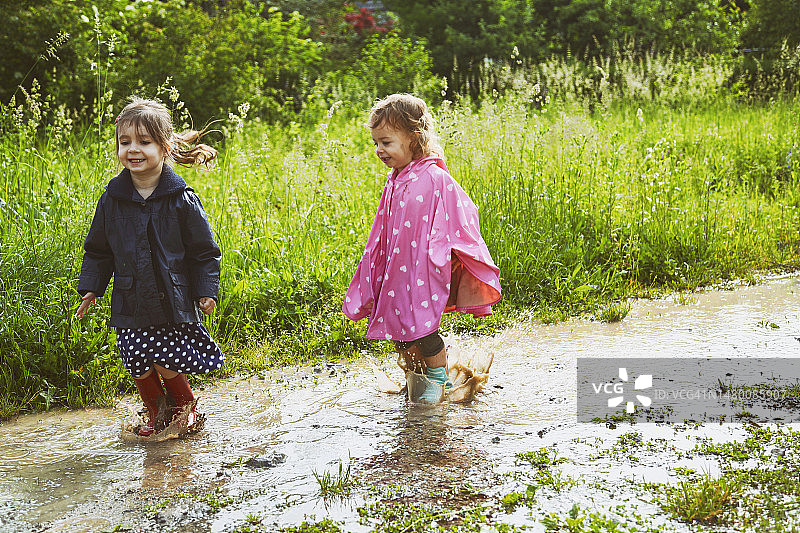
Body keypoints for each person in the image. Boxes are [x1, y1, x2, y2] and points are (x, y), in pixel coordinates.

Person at [76, 97, 223, 437]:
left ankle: (184, 407)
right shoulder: (112, 198)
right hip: (130, 297)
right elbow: (99, 250)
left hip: (171, 297)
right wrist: (91, 288)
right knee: (136, 359)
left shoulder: (180, 198)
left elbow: (204, 251)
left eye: (144, 142)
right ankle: (156, 409)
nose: (133, 149)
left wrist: (205, 291)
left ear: (165, 146)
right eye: (125, 142)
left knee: (166, 358)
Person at [343, 94, 501, 403]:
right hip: (396, 270)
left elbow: (463, 213)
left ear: (414, 139)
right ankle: (414, 377)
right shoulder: (396, 178)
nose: (379, 150)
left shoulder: (435, 177)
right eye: (376, 143)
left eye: (386, 143)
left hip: (424, 269)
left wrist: (449, 252)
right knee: (399, 330)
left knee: (422, 327)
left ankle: (438, 380)